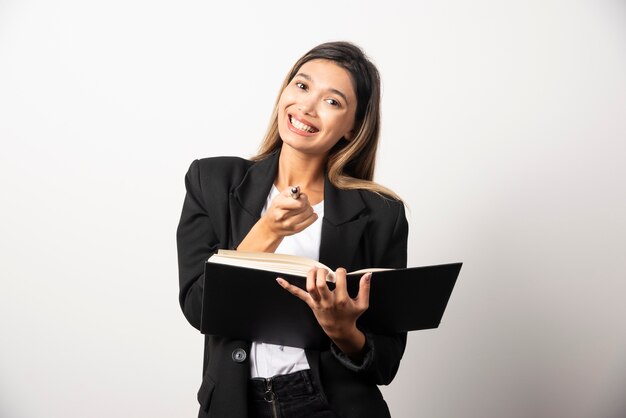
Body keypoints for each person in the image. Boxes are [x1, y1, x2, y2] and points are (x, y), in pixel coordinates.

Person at [177, 41, 408, 418]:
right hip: (237, 405)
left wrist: (342, 329)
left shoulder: (382, 214)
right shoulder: (212, 181)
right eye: (302, 86)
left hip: (332, 405)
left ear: (353, 127)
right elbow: (198, 309)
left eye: (332, 101)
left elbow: (386, 364)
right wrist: (267, 231)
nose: (307, 106)